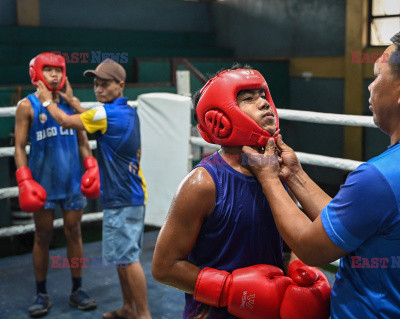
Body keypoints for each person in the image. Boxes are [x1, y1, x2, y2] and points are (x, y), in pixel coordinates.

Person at [243, 28, 400, 318]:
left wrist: (268, 178)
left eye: (377, 75)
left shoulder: (382, 177)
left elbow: (310, 249)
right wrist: (294, 174)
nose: (371, 86)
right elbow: (356, 222)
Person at [151, 66, 331, 319]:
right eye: (248, 98)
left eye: (263, 95)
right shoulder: (203, 183)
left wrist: (297, 266)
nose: (264, 103)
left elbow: (291, 240)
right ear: (220, 116)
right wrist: (229, 290)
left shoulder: (279, 173)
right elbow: (163, 267)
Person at [36, 58, 150, 319]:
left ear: (120, 84)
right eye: (96, 84)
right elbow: (91, 116)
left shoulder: (104, 114)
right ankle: (128, 309)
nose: (99, 89)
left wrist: (46, 100)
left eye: (105, 84)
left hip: (123, 197)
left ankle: (144, 315)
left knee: (129, 259)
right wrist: (75, 101)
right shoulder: (128, 111)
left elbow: (65, 121)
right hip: (129, 194)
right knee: (123, 257)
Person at [15, 52, 99, 317]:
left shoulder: (69, 103)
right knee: (42, 236)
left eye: (58, 70)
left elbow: (83, 139)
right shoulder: (27, 105)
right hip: (43, 184)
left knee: (74, 233)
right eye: (48, 70)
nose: (54, 75)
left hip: (72, 181)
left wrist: (91, 166)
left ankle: (77, 289)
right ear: (36, 73)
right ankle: (41, 293)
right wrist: (24, 179)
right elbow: (18, 146)